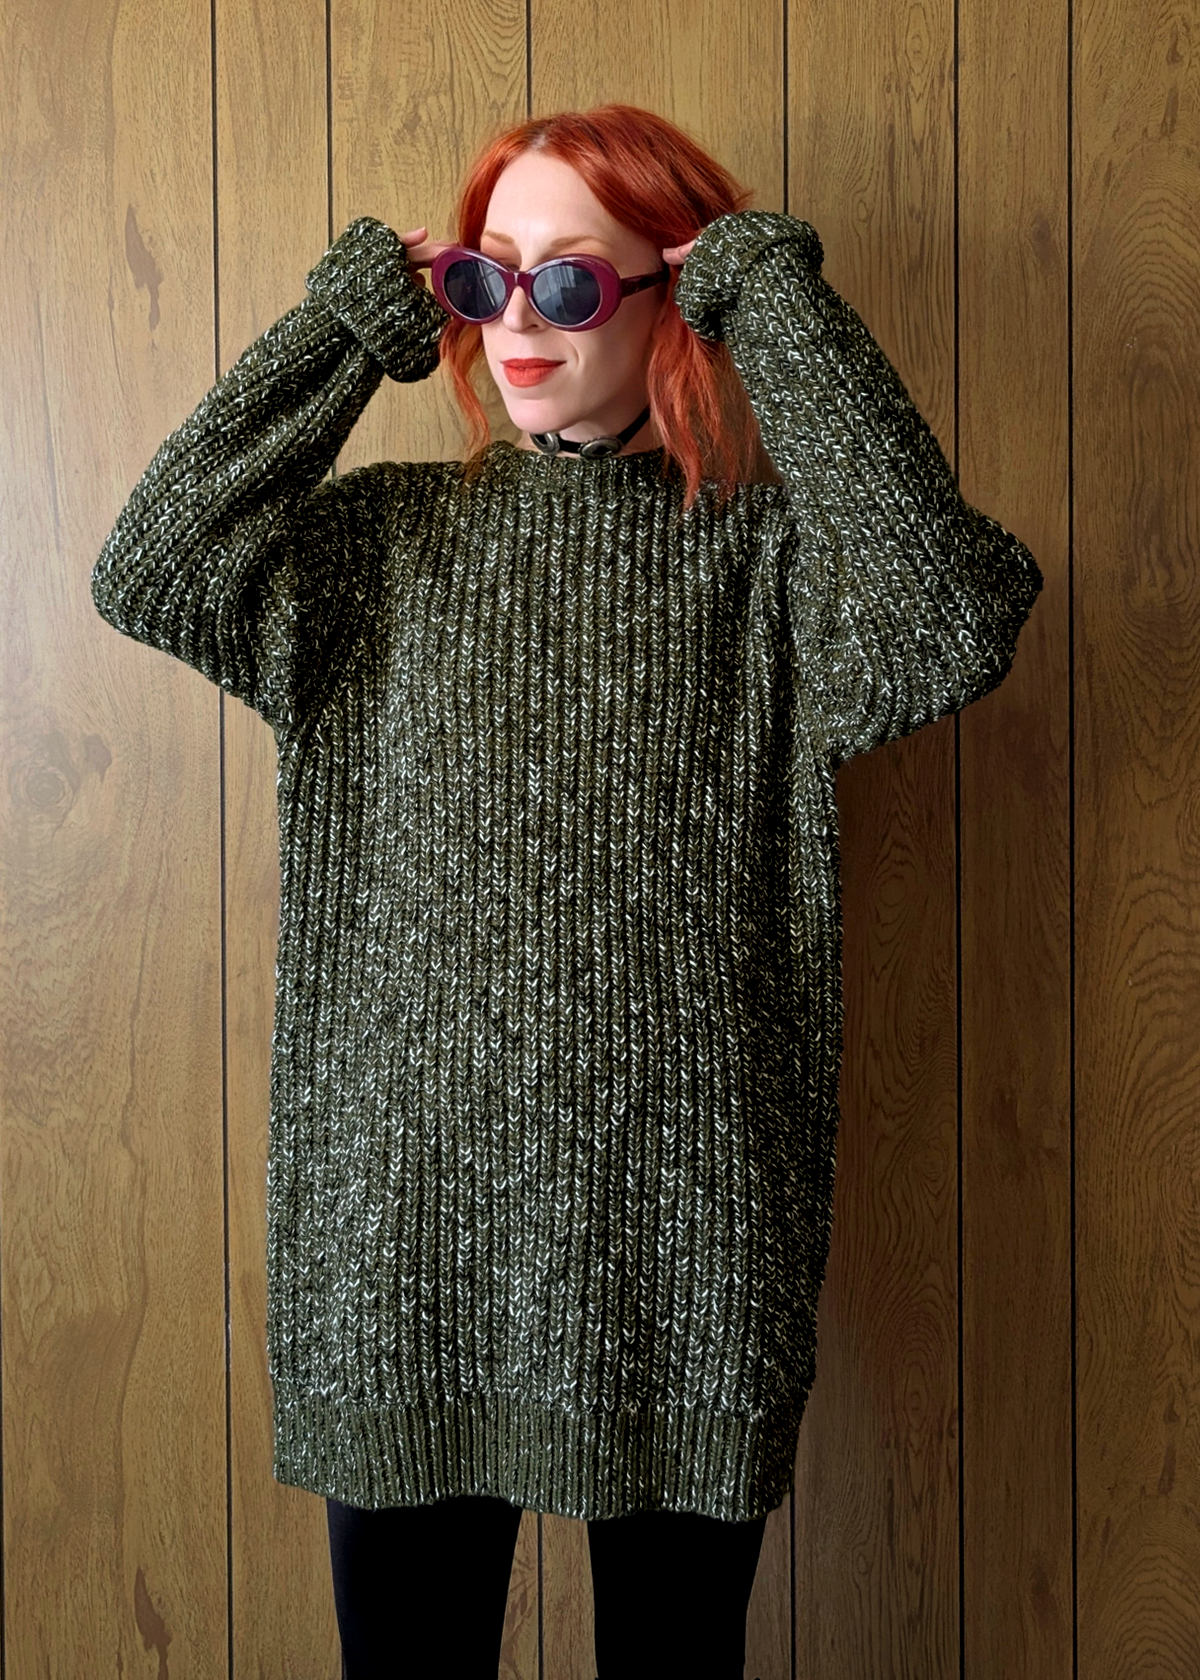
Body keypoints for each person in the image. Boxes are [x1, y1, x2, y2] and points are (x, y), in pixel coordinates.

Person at [91, 103, 1042, 1679]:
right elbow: (156, 567)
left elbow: (950, 613)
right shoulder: (376, 550)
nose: (518, 324)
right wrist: (345, 330)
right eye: (486, 280)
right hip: (402, 1261)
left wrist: (769, 293)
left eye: (576, 284)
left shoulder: (773, 569)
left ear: (678, 295)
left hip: (685, 1263)